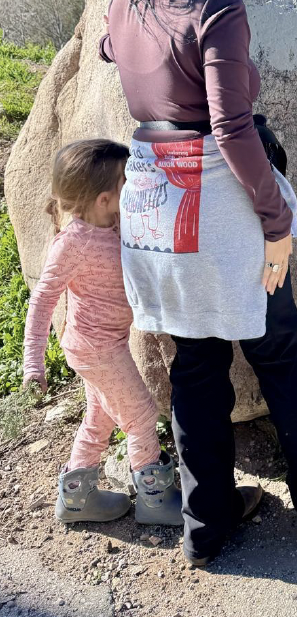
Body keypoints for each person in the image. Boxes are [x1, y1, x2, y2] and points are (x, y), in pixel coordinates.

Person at [92, 0, 297, 566]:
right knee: (279, 355)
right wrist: (274, 220)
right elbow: (233, 130)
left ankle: (206, 528)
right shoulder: (219, 8)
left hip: (154, 200)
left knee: (194, 367)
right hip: (220, 200)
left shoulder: (125, 4)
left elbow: (113, 53)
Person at [23, 139, 183, 526]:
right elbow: (42, 301)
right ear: (104, 198)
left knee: (100, 416)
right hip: (95, 348)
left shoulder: (114, 222)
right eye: (127, 182)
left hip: (104, 344)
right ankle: (155, 500)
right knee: (141, 414)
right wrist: (33, 362)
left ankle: (77, 501)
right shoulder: (72, 244)